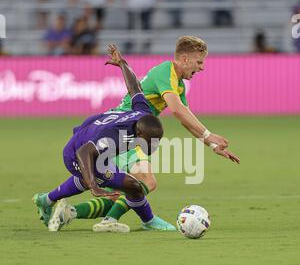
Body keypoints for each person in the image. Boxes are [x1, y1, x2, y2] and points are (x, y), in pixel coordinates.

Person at [54, 36, 240, 233]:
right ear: (185, 59)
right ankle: (117, 220)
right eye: (199, 62)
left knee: (123, 191)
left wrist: (211, 145)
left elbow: (185, 117)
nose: (201, 68)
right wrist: (209, 135)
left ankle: (64, 209)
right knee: (144, 182)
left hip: (133, 131)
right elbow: (177, 110)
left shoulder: (179, 84)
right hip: (123, 131)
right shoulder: (166, 71)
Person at [33, 44, 174, 233]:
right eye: (150, 141)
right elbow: (84, 152)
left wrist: (123, 64)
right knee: (131, 185)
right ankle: (148, 221)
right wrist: (93, 186)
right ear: (139, 134)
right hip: (76, 154)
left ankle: (47, 199)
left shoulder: (143, 111)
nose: (154, 146)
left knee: (117, 181)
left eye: (157, 140)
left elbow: (134, 88)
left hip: (89, 137)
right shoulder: (116, 137)